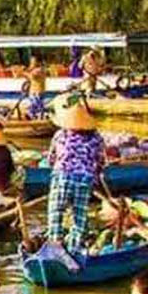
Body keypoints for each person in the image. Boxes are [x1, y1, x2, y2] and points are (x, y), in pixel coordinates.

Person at [45, 96, 104, 254]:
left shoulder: (60, 135)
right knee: (79, 215)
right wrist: (96, 177)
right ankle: (74, 247)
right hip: (85, 179)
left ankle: (55, 244)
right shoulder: (96, 138)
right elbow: (99, 161)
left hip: (62, 176)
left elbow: (51, 159)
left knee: (56, 211)